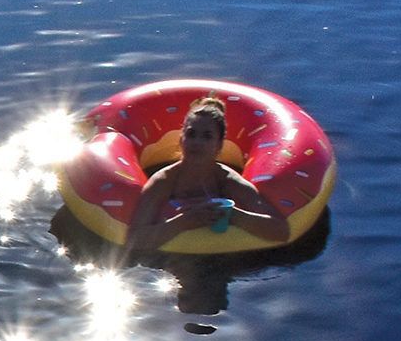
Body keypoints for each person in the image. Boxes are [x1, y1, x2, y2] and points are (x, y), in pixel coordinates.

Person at [120, 94, 292, 257]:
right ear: (181, 139)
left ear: (219, 145)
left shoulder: (228, 181)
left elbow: (281, 231)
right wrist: (183, 222)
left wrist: (232, 215)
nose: (197, 142)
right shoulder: (163, 181)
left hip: (225, 259)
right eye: (191, 134)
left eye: (207, 136)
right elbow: (134, 239)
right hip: (167, 263)